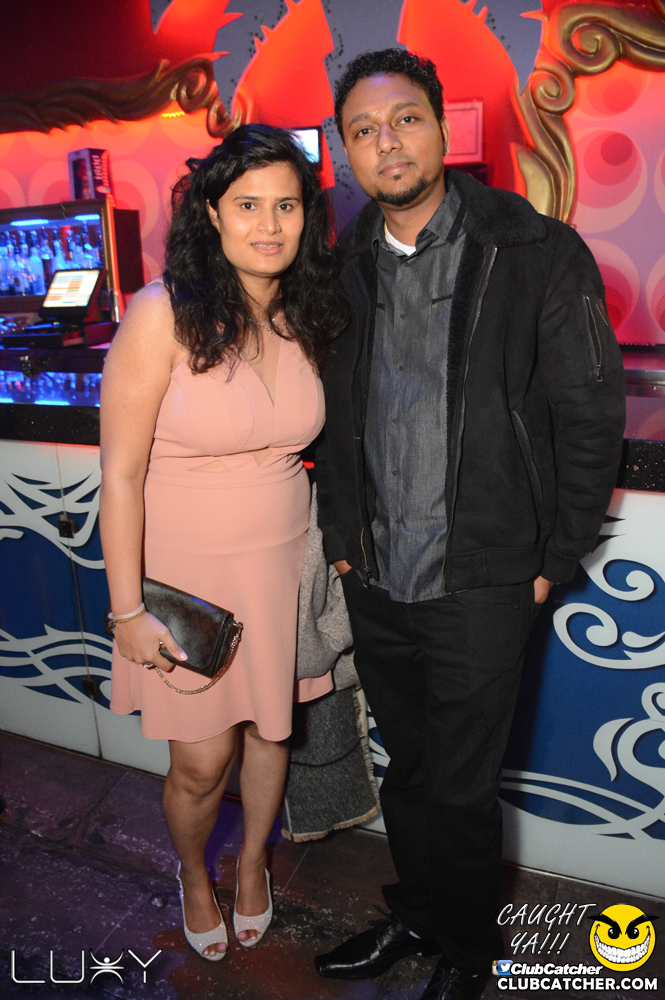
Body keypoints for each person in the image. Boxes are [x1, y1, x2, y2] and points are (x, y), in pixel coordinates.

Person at [314, 49, 626, 1000]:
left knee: (458, 785)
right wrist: (342, 545)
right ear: (345, 152)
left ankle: (464, 950)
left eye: (404, 119)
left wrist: (554, 555)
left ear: (444, 129)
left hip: (485, 577)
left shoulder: (534, 250)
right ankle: (417, 912)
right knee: (408, 770)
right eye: (363, 131)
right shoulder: (338, 268)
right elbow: (327, 417)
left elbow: (589, 413)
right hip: (376, 574)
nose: (386, 142)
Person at [100, 124, 346, 961]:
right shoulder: (160, 312)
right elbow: (120, 477)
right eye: (247, 205)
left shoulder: (308, 310)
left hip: (283, 567)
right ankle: (194, 876)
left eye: (286, 205)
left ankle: (250, 864)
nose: (268, 224)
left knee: (271, 737)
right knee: (201, 766)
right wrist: (127, 611)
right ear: (211, 212)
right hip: (189, 583)